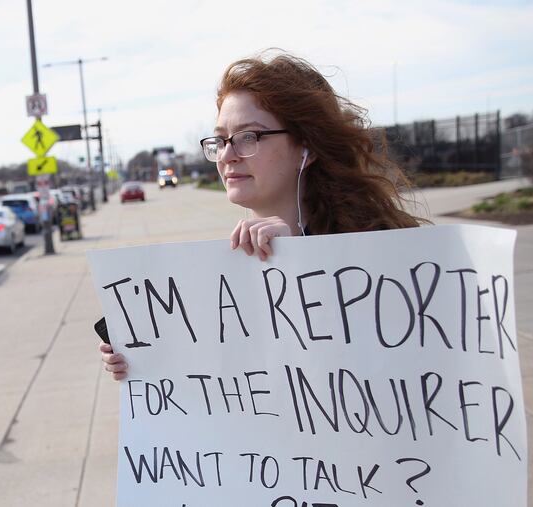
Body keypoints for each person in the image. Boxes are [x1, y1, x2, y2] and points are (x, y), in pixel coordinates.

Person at [100, 50, 425, 380]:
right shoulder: (225, 277)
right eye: (221, 139)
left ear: (306, 148)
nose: (227, 155)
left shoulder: (381, 253)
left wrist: (301, 264)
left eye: (248, 137)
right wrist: (145, 365)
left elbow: (395, 371)